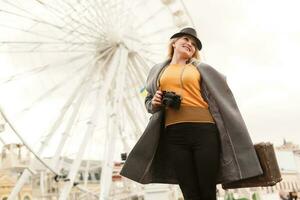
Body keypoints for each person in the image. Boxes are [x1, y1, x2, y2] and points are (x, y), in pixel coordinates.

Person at [120, 27, 263, 200]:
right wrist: (154, 102)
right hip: (173, 135)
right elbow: (146, 97)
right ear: (174, 42)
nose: (190, 44)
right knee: (189, 191)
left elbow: (221, 95)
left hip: (205, 131)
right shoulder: (156, 71)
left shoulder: (201, 69)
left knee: (207, 188)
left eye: (194, 44)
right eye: (186, 40)